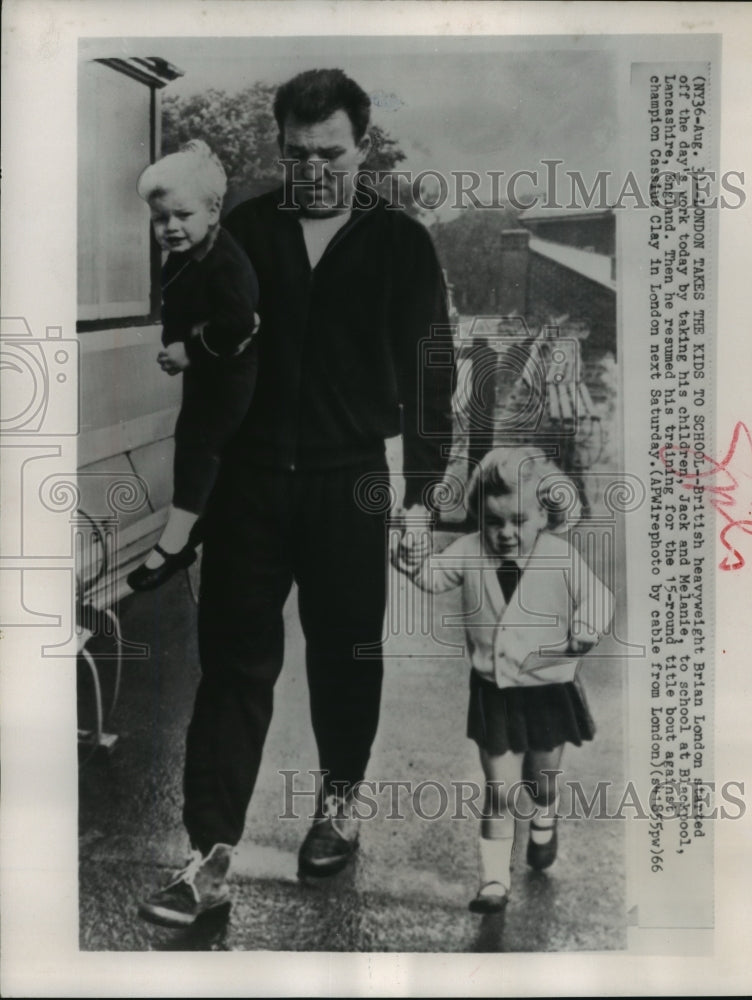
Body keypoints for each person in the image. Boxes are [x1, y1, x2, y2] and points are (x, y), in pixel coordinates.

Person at [138, 69, 453, 928]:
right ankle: (206, 861)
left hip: (348, 482)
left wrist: (420, 497)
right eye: (297, 153)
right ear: (280, 150)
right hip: (247, 485)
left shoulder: (400, 243)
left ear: (363, 146)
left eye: (333, 152)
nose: (314, 168)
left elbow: (432, 374)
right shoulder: (239, 231)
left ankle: (338, 805)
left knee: (345, 655)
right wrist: (193, 504)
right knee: (235, 669)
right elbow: (207, 368)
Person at [392, 446, 613, 913]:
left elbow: (598, 597)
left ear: (544, 516)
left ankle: (546, 818)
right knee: (500, 790)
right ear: (479, 517)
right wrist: (410, 558)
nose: (506, 533)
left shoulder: (560, 556)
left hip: (548, 686)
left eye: (519, 521)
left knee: (542, 782)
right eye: (494, 522)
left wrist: (587, 629)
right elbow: (431, 576)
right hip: (494, 690)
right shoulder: (469, 552)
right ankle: (494, 881)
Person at [127, 140, 260, 592]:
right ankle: (191, 524)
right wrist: (175, 343)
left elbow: (241, 321)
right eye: (160, 218)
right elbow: (176, 311)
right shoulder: (182, 261)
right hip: (209, 376)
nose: (170, 227)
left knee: (200, 445)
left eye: (182, 216)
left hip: (232, 376)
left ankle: (176, 540)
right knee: (193, 445)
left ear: (213, 210)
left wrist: (192, 349)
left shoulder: (226, 262)